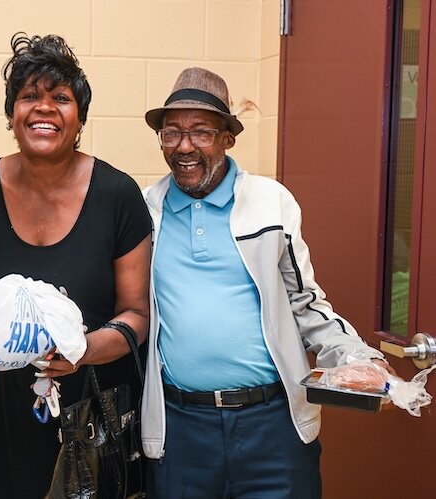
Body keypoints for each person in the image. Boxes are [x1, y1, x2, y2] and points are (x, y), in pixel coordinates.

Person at [139, 67, 395, 499]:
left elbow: (305, 301)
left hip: (272, 426)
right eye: (171, 133)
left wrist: (357, 355)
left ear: (227, 138)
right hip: (180, 431)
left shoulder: (270, 202)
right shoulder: (146, 211)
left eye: (201, 132)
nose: (184, 146)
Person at [0, 33, 152, 498]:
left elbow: (137, 316)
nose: (44, 108)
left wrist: (79, 348)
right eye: (29, 97)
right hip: (15, 405)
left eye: (60, 98)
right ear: (11, 116)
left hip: (98, 407)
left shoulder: (117, 195)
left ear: (79, 119)